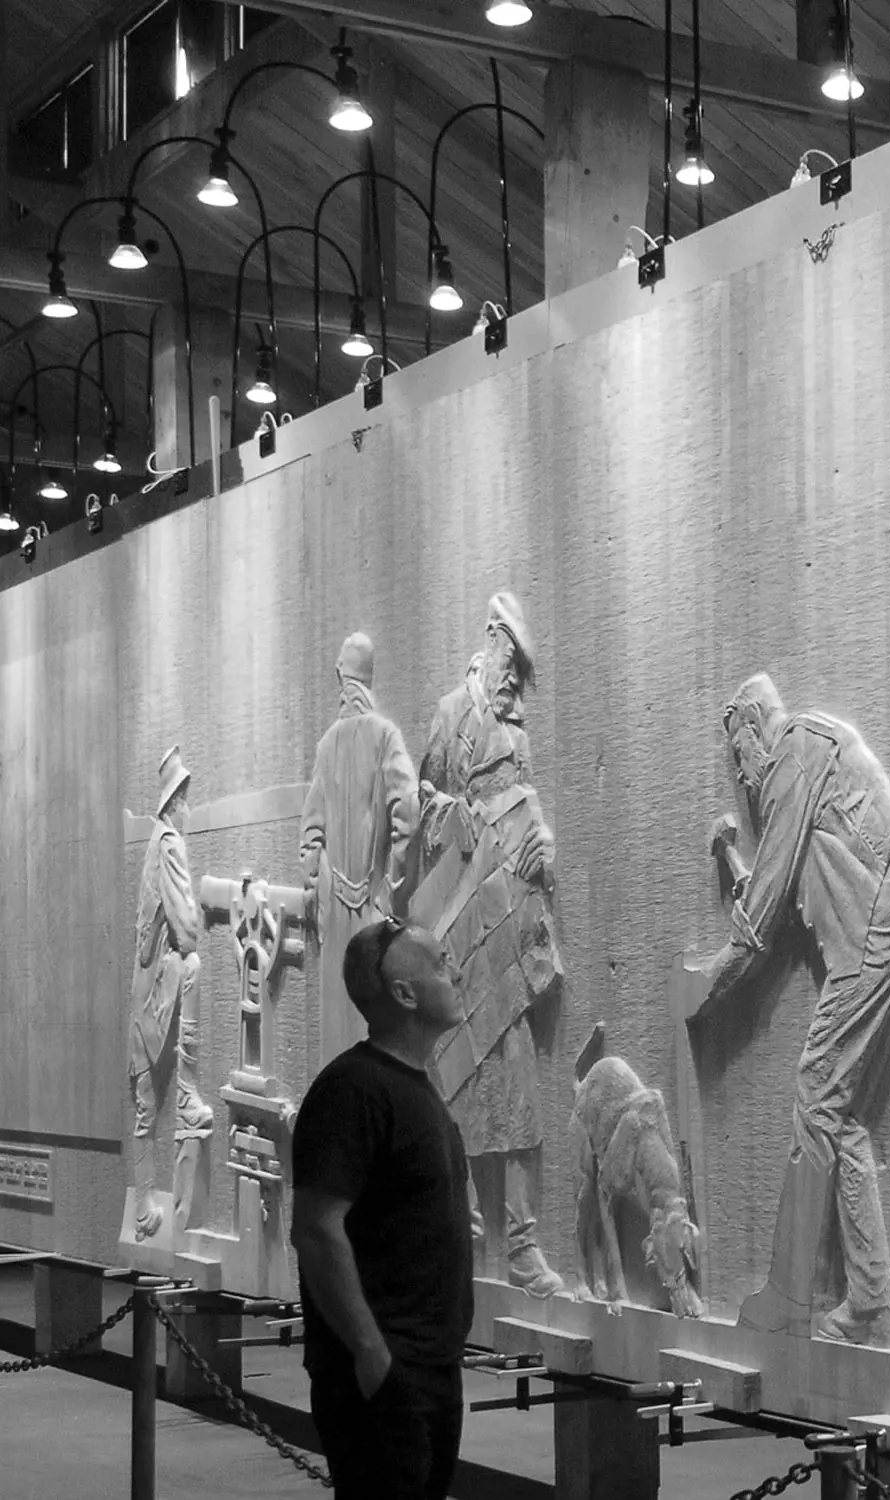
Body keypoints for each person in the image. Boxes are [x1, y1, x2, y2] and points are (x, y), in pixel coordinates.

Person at [707, 673, 890, 1344]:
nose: (739, 773)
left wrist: (709, 986)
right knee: (835, 1107)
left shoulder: (791, 752)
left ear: (751, 729)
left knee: (815, 1092)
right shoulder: (802, 771)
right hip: (881, 912)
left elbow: (766, 912)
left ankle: (794, 1292)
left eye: (736, 752)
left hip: (880, 917)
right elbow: (792, 879)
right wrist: (732, 864)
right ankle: (869, 1301)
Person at [413, 591, 565, 1297]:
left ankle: (526, 1245)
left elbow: (528, 810)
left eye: (523, 673)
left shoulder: (516, 732)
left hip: (508, 915)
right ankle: (466, 1235)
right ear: (492, 638)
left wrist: (541, 846)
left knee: (517, 1083)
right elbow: (420, 800)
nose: (516, 682)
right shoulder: (450, 716)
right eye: (513, 664)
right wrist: (451, 815)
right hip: (460, 926)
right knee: (461, 1079)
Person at [292, 919, 475, 1500]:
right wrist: (371, 1354)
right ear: (404, 993)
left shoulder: (416, 1086)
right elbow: (317, 1230)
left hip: (428, 1366)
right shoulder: (353, 1090)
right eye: (442, 964)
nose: (457, 973)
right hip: (384, 1373)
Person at [301, 632, 417, 1061]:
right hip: (373, 908)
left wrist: (314, 891)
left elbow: (311, 833)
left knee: (338, 1040)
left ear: (342, 677)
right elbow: (408, 809)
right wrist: (393, 887)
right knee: (376, 1035)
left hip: (334, 917)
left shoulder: (327, 745)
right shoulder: (385, 736)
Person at [129, 744, 211, 1241]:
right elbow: (186, 930)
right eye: (187, 797)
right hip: (158, 989)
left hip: (143, 993)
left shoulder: (151, 844)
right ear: (176, 799)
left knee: (142, 1106)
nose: (189, 807)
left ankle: (142, 1208)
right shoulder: (171, 844)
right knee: (196, 963)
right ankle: (186, 1091)